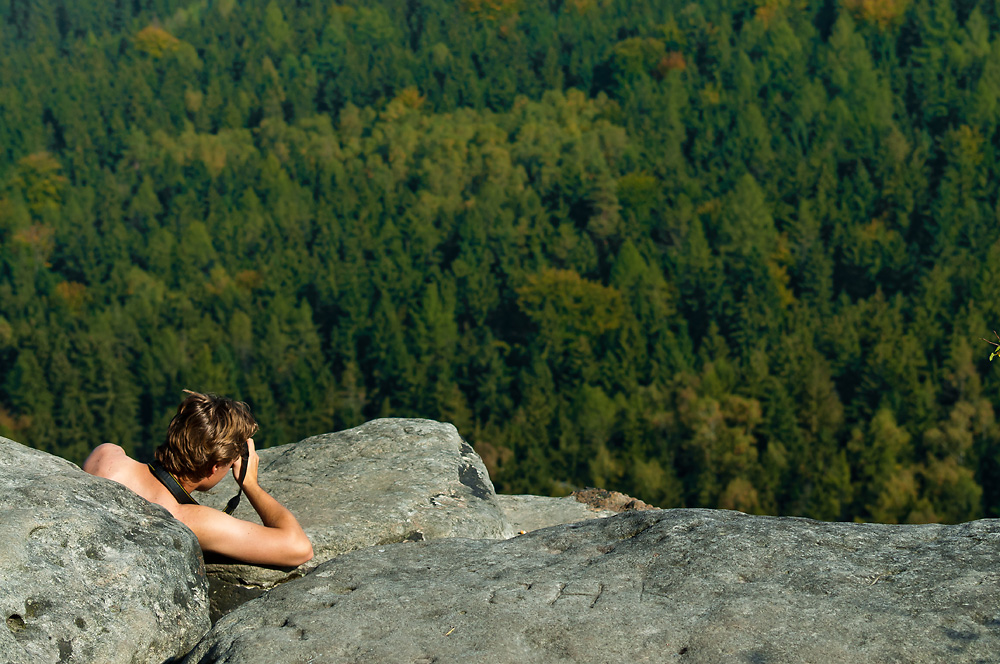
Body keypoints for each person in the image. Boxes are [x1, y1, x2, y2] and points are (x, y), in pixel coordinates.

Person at [83, 390, 313, 567]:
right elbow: (299, 548)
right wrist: (250, 484)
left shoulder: (106, 457)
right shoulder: (189, 520)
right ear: (214, 467)